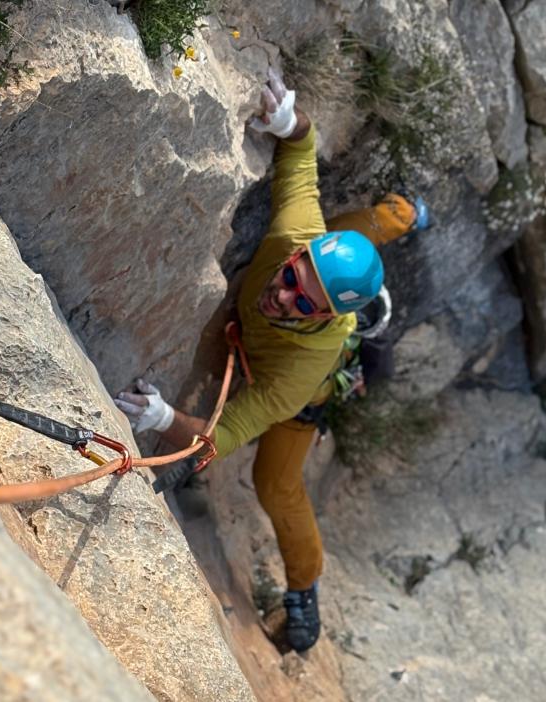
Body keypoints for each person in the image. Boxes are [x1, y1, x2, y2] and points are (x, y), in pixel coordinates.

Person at [113, 67, 429, 653]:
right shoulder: (297, 241)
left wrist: (162, 421)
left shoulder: (299, 373)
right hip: (328, 272)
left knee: (275, 483)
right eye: (290, 277)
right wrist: (290, 121)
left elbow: (222, 434)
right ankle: (404, 213)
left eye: (299, 301)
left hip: (301, 403)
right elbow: (302, 161)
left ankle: (305, 585)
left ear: (321, 317)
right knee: (355, 230)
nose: (282, 292)